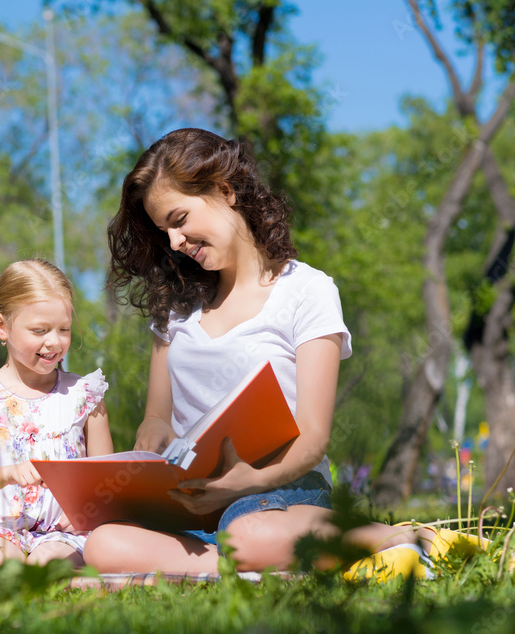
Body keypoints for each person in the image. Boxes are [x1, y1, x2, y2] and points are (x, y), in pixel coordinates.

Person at [84, 128, 427, 577]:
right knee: (103, 544)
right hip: (194, 501)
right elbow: (158, 417)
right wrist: (152, 436)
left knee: (248, 533)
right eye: (164, 230)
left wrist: (251, 481)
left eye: (180, 218)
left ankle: (404, 537)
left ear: (224, 191)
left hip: (279, 490)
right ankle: (241, 562)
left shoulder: (306, 291)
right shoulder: (176, 310)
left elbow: (312, 436)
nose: (174, 242)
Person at [0, 258, 114, 578]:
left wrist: (82, 511)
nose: (54, 341)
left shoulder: (85, 395)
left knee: (45, 570)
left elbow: (107, 481)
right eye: (39, 330)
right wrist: (8, 473)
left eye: (63, 329)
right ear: (2, 327)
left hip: (65, 535)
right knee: (2, 569)